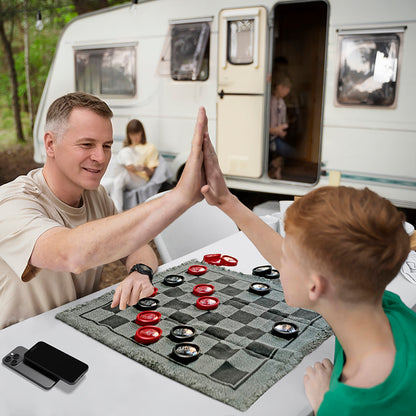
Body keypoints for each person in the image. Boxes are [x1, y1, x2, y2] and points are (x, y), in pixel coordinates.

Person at [200, 132, 415, 415]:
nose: (279, 261)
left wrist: (322, 403)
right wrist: (227, 201)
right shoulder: (386, 307)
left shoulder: (346, 405)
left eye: (287, 258)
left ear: (315, 287)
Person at [0, 92, 207, 330]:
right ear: (50, 144)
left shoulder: (96, 195)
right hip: (15, 349)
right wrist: (177, 198)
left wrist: (140, 272)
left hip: (76, 330)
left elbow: (137, 247)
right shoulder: (11, 202)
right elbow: (70, 254)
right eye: (87, 144)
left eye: (107, 146)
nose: (100, 157)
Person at [109, 119, 159, 211]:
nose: (135, 137)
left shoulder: (149, 147)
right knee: (115, 179)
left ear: (142, 133)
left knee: (118, 180)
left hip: (141, 179)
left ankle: (117, 212)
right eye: (132, 134)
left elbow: (151, 173)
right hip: (126, 173)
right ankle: (112, 210)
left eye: (137, 134)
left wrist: (144, 168)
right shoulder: (127, 148)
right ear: (128, 135)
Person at [269, 73, 294, 179]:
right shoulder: (268, 101)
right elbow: (263, 128)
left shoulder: (281, 102)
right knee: (290, 152)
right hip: (270, 136)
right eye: (287, 89)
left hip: (277, 135)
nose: (288, 92)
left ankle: (276, 167)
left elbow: (282, 120)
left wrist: (283, 129)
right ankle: (275, 167)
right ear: (279, 87)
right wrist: (276, 130)